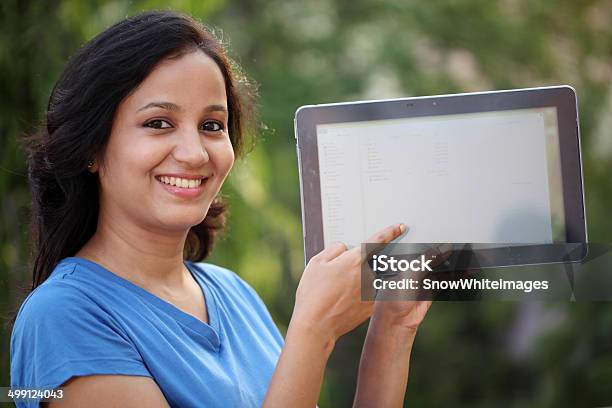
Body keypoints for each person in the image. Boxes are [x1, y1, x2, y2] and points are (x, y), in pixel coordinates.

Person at [10, 10, 431, 408]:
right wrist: (313, 331)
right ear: (91, 147)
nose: (194, 154)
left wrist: (392, 332)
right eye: (159, 123)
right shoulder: (64, 317)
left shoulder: (233, 293)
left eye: (212, 126)